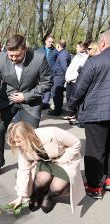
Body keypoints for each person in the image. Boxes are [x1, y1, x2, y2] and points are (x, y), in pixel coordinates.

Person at [0, 34, 53, 176]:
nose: (13, 59)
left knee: (29, 135)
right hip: (7, 101)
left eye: (16, 55)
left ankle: (24, 166)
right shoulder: (1, 60)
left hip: (30, 102)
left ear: (25, 48)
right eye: (10, 55)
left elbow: (47, 82)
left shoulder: (38, 58)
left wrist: (26, 96)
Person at [68, 30, 110, 199]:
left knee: (95, 149)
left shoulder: (94, 61)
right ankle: (108, 181)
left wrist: (71, 107)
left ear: (103, 43)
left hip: (97, 112)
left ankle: (94, 186)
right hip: (99, 111)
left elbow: (79, 88)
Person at [7, 122, 85, 214]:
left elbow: (76, 143)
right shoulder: (21, 148)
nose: (17, 144)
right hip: (45, 161)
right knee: (41, 180)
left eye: (19, 141)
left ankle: (48, 196)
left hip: (63, 160)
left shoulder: (53, 133)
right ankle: (37, 195)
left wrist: (63, 159)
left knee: (57, 187)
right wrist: (20, 196)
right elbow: (23, 170)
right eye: (14, 142)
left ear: (28, 135)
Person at [63, 41, 89, 124]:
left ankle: (74, 115)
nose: (76, 48)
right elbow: (71, 67)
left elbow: (79, 71)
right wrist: (67, 77)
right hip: (69, 80)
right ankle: (70, 113)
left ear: (82, 48)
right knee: (68, 97)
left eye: (77, 47)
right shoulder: (76, 56)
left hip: (74, 80)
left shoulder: (85, 57)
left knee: (75, 99)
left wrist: (70, 78)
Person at [47, 40, 71, 116]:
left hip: (59, 76)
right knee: (58, 93)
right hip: (59, 75)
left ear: (58, 46)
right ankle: (58, 109)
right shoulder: (65, 53)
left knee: (56, 93)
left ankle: (57, 110)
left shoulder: (62, 54)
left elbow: (64, 67)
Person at [39, 35, 58, 110]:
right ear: (45, 41)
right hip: (40, 72)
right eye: (49, 41)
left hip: (51, 73)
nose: (51, 43)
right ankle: (39, 102)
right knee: (40, 87)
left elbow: (58, 62)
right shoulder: (39, 50)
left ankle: (45, 102)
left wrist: (54, 70)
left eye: (52, 42)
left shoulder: (55, 51)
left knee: (48, 88)